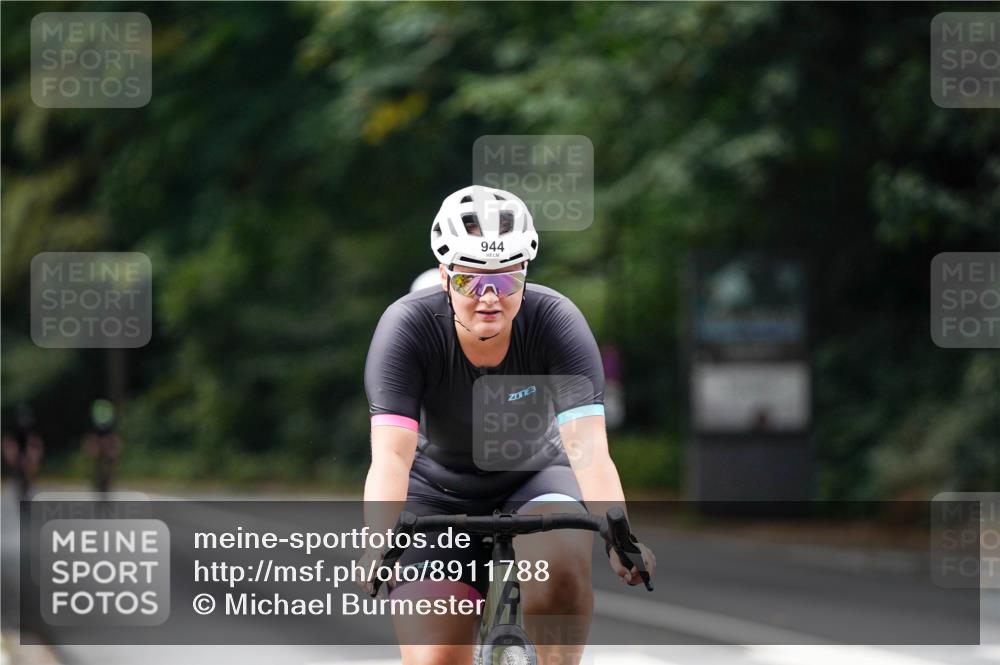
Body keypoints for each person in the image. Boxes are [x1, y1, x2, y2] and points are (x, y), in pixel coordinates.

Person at [363, 185, 655, 665]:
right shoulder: (406, 328)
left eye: (504, 282)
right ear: (443, 276)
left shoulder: (556, 320)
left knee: (560, 570)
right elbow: (392, 454)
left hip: (536, 476)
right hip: (437, 490)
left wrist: (621, 537)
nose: (488, 299)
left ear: (525, 275)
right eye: (469, 282)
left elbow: (588, 449)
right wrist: (379, 541)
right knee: (436, 656)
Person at [2, 404, 44, 500]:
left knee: (32, 461)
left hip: (27, 450)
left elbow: (36, 443)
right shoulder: (12, 430)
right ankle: (19, 481)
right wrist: (11, 456)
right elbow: (8, 443)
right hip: (17, 451)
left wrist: (34, 456)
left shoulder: (32, 429)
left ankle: (30, 483)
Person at [82, 399, 122, 494]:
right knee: (102, 459)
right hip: (100, 435)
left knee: (109, 459)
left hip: (105, 435)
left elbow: (114, 438)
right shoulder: (100, 412)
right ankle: (101, 478)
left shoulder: (105, 413)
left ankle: (107, 479)